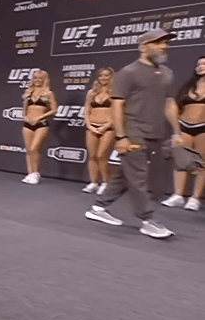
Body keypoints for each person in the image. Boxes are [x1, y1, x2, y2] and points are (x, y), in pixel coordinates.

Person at [85, 28, 180, 239]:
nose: (164, 46)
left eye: (166, 43)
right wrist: (121, 137)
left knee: (125, 174)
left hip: (155, 133)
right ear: (144, 47)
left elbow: (170, 103)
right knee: (139, 176)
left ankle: (98, 208)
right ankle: (148, 220)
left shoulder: (167, 73)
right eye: (158, 43)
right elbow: (117, 106)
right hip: (133, 132)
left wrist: (177, 131)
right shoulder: (128, 72)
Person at [162, 56, 205, 211]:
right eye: (199, 64)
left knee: (202, 163)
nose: (201, 66)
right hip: (184, 127)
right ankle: (178, 195)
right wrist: (176, 130)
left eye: (204, 64)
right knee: (180, 162)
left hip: (203, 129)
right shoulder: (187, 86)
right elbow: (173, 106)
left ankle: (195, 199)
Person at [20, 70, 58, 184]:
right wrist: (25, 118)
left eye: (40, 78)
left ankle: (36, 173)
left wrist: (41, 117)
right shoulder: (28, 92)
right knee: (29, 150)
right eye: (35, 78)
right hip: (28, 124)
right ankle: (30, 173)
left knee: (34, 148)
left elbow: (54, 110)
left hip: (41, 124)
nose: (37, 80)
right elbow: (24, 110)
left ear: (44, 80)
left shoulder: (48, 93)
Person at [83, 67, 116, 194]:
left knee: (102, 155)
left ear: (111, 77)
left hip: (108, 128)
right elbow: (87, 110)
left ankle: (106, 183)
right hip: (92, 127)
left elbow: (118, 113)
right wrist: (89, 125)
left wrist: (106, 126)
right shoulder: (92, 93)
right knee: (92, 156)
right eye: (101, 75)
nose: (103, 78)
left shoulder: (115, 93)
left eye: (106, 75)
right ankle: (93, 182)